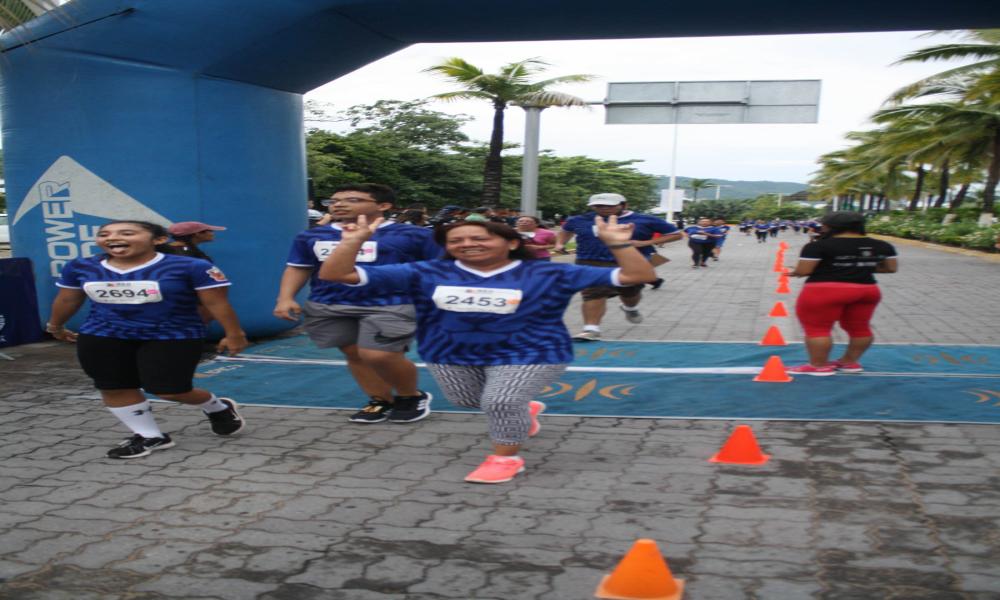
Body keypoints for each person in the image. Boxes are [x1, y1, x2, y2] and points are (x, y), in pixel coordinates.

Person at [317, 215, 656, 484]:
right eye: (457, 240)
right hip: (449, 351)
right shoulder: (425, 271)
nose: (467, 244)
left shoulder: (549, 271)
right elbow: (335, 273)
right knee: (470, 401)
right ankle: (526, 408)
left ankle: (505, 459)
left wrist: (618, 245)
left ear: (510, 242)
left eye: (479, 238)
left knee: (501, 401)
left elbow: (639, 275)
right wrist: (354, 241)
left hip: (533, 351)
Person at [45, 220, 249, 459]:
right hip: (103, 334)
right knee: (113, 386)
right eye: (104, 234)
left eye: (127, 233)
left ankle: (217, 407)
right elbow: (68, 299)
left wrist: (234, 334)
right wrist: (55, 326)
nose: (112, 237)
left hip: (172, 335)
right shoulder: (82, 266)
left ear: (159, 239)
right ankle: (150, 436)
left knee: (170, 391)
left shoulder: (191, 266)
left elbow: (216, 302)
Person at [274, 183, 440, 423]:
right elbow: (299, 267)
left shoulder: (415, 235)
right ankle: (380, 400)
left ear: (383, 206)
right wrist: (285, 297)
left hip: (391, 303)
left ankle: (410, 396)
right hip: (329, 304)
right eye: (334, 201)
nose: (339, 204)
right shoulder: (312, 235)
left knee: (379, 355)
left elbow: (440, 268)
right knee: (353, 353)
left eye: (352, 199)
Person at [555, 193, 682, 341]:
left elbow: (676, 234)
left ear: (624, 205)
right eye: (599, 206)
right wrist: (560, 243)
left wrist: (644, 243)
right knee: (593, 293)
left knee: (630, 293)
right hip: (590, 261)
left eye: (610, 206)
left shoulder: (644, 219)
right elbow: (566, 231)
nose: (604, 209)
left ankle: (630, 308)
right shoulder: (579, 220)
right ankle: (591, 329)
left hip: (630, 262)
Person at [787, 211, 898, 375]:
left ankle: (819, 366)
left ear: (830, 226)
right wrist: (857, 265)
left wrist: (795, 272)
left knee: (817, 329)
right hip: (867, 290)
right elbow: (890, 268)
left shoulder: (818, 246)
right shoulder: (883, 245)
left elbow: (804, 270)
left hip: (825, 290)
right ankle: (849, 363)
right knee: (860, 328)